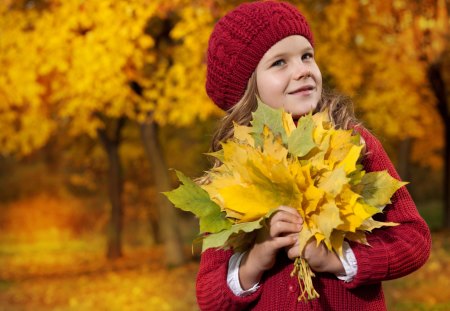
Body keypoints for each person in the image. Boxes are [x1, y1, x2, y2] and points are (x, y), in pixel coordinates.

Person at [196, 1, 431, 310]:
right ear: (248, 88)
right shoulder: (233, 174)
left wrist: (340, 260)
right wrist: (255, 259)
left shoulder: (352, 142)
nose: (302, 70)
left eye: (306, 56)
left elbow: (414, 239)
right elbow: (209, 296)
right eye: (280, 62)